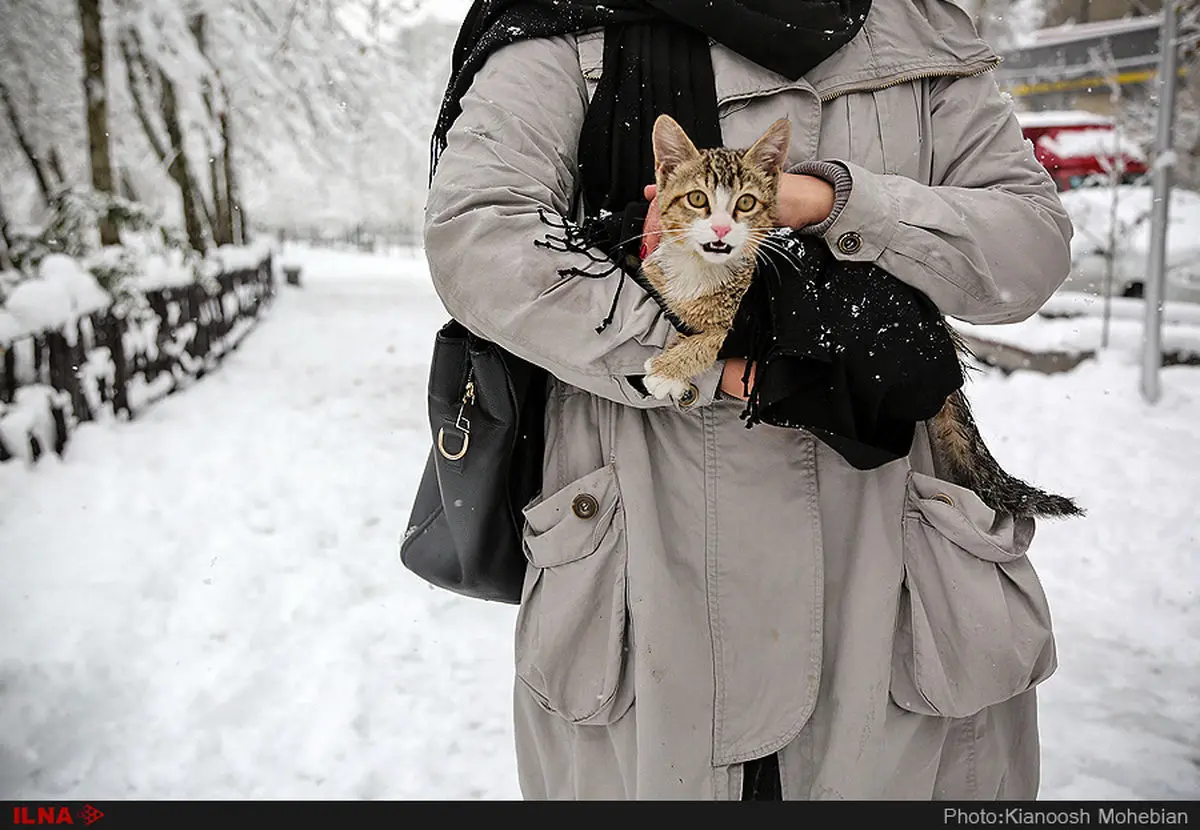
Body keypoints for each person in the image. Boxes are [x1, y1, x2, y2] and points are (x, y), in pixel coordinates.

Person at [423, 0, 1073, 801]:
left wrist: (836, 204)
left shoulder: (917, 24)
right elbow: (479, 236)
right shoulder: (566, 19)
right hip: (643, 538)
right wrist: (703, 359)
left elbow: (1030, 248)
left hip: (890, 544)